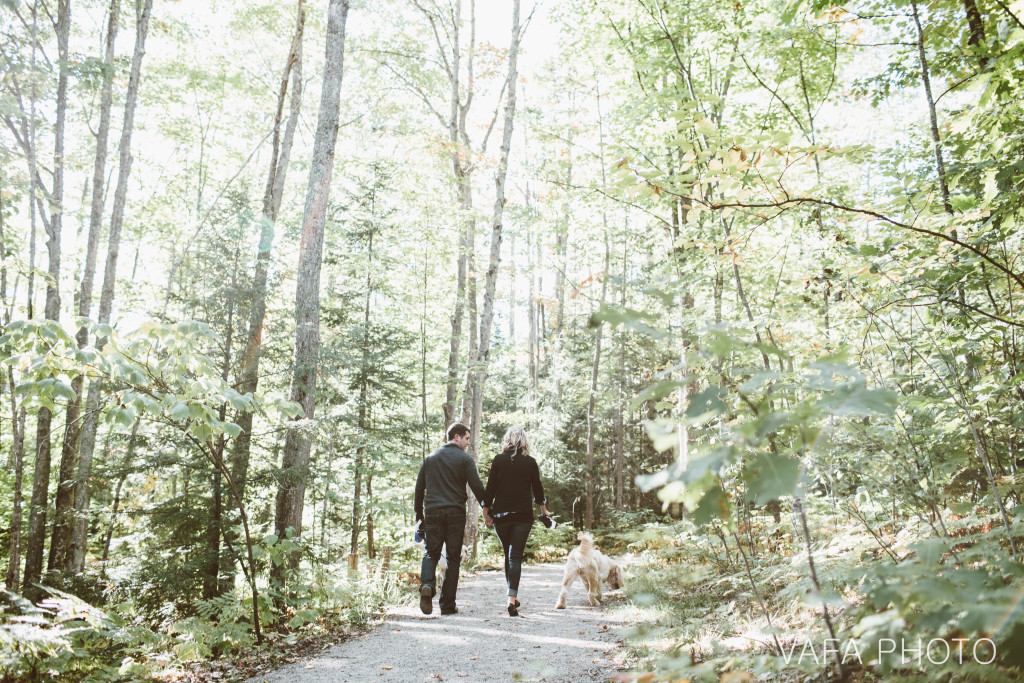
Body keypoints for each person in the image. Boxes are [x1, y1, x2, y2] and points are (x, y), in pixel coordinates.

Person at [414, 422, 491, 615]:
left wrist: (419, 516)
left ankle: (428, 585)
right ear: (456, 437)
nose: (467, 443)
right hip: (455, 512)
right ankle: (447, 605)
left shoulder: (430, 458)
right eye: (466, 438)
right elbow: (477, 486)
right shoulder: (465, 459)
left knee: (431, 553)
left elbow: (418, 488)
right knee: (453, 559)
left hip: (432, 511)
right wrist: (487, 509)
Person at [482, 425, 550, 617]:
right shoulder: (530, 462)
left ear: (507, 440)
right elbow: (538, 490)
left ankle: (511, 596)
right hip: (522, 516)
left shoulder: (498, 460)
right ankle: (512, 597)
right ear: (524, 441)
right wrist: (544, 511)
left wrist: (486, 512)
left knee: (508, 555)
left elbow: (490, 489)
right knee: (515, 556)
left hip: (501, 516)